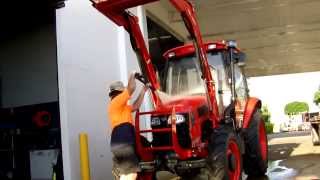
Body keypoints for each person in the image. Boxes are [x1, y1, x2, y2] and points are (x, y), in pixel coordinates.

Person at [108, 72, 148, 180]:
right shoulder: (116, 102)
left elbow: (135, 105)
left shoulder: (122, 107)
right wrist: (132, 75)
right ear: (119, 93)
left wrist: (143, 91)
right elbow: (131, 88)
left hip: (123, 139)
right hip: (122, 139)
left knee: (128, 174)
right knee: (131, 174)